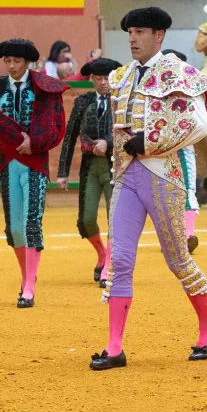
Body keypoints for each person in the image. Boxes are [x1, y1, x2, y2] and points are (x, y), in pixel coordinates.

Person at [90, 6, 207, 371]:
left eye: (141, 31)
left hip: (163, 174)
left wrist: (148, 141)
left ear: (159, 35)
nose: (132, 38)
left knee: (177, 258)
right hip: (127, 177)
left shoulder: (178, 72)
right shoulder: (120, 77)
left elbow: (198, 125)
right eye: (130, 31)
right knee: (120, 261)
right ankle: (114, 347)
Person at [0, 38, 68, 308]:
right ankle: (27, 279)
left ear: (27, 62)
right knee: (14, 228)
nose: (11, 66)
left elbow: (55, 125)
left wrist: (34, 143)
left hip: (35, 162)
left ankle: (29, 287)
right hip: (8, 162)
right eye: (8, 61)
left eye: (16, 61)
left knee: (31, 222)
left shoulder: (42, 87)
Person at [57, 56, 122, 288]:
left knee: (115, 220)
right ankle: (102, 253)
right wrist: (62, 172)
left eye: (107, 78)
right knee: (87, 221)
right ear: (91, 79)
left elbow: (129, 131)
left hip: (116, 168)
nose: (103, 82)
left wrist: (108, 142)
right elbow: (70, 136)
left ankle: (108, 267)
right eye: (98, 78)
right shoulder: (83, 102)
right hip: (91, 168)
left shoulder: (122, 101)